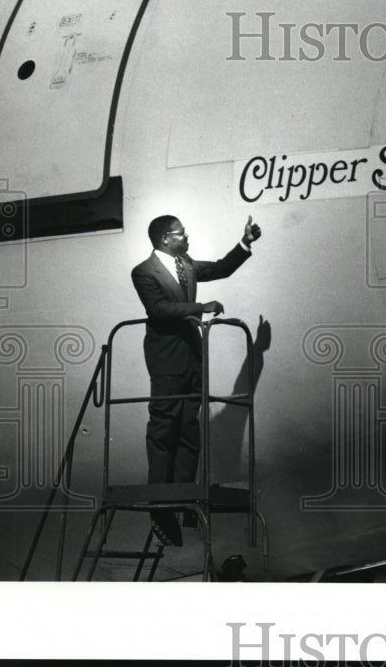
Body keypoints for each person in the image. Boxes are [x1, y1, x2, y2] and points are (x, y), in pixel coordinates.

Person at [131, 214, 262, 545]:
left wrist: (244, 243)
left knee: (189, 428)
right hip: (167, 360)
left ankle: (185, 499)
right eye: (180, 233)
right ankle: (160, 506)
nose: (186, 236)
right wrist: (200, 306)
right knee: (164, 430)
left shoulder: (184, 263)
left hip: (191, 359)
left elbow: (219, 268)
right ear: (164, 239)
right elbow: (159, 310)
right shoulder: (144, 272)